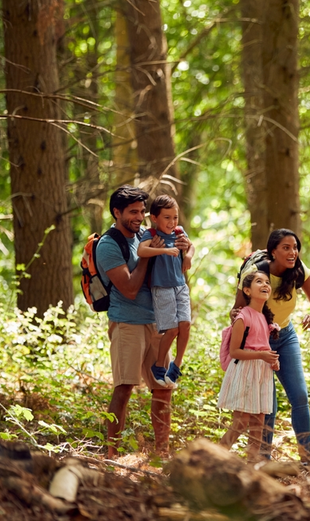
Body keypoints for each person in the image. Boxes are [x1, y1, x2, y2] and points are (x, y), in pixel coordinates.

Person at [96, 185, 192, 459]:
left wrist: (182, 251)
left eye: (141, 212)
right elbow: (128, 287)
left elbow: (175, 267)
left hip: (158, 322)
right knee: (125, 387)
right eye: (132, 212)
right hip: (127, 322)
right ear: (117, 212)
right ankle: (111, 454)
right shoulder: (108, 245)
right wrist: (152, 256)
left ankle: (162, 452)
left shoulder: (147, 234)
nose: (139, 217)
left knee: (163, 388)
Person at [232, 228, 310, 462]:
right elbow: (236, 310)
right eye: (286, 247)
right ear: (273, 251)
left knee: (300, 396)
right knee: (268, 403)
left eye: (295, 247)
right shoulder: (256, 273)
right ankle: (264, 459)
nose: (292, 252)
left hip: (286, 335)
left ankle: (306, 459)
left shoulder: (299, 270)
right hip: (260, 341)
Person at [218, 270, 281, 460]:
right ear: (246, 290)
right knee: (240, 423)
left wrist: (272, 360)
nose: (265, 285)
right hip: (245, 370)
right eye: (258, 282)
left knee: (258, 425)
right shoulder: (243, 317)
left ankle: (252, 468)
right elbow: (235, 351)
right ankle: (213, 459)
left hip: (262, 373)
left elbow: (262, 345)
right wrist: (261, 354)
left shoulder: (264, 318)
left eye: (267, 282)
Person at [137, 195, 194, 388]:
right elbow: (141, 251)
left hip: (180, 285)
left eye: (175, 217)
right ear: (154, 217)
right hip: (162, 287)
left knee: (185, 324)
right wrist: (162, 251)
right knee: (172, 329)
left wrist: (188, 257)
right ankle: (159, 363)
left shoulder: (179, 232)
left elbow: (191, 246)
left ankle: (176, 364)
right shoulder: (151, 234)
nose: (172, 222)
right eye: (167, 217)